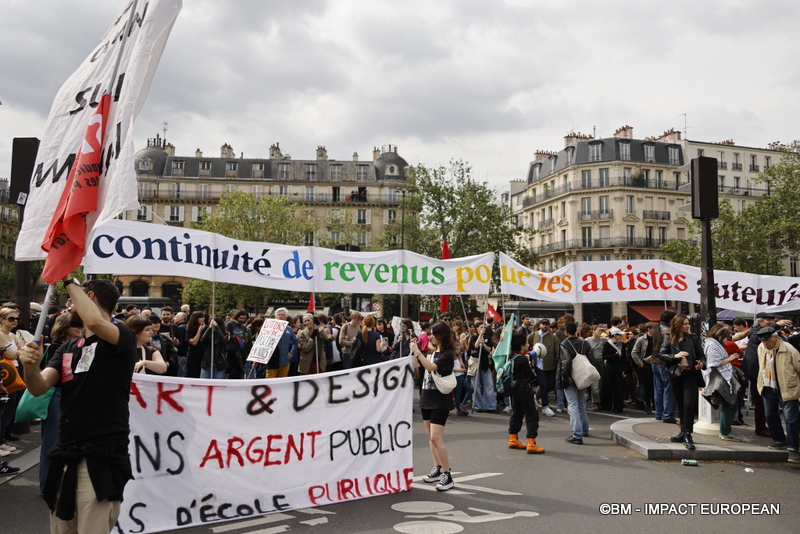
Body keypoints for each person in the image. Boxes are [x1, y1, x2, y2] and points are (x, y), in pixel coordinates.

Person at [19, 278, 136, 532]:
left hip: (100, 456)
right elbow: (38, 387)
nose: (69, 306)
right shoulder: (68, 348)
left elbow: (95, 323)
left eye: (72, 300)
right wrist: (30, 367)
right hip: (65, 452)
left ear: (89, 297)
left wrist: (67, 279)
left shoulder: (122, 337)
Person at [37, 313, 83, 492]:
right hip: (56, 394)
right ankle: (47, 485)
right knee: (51, 441)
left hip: (73, 395)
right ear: (64, 328)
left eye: (80, 326)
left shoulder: (82, 345)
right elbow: (46, 377)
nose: (79, 329)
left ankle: (58, 484)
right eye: (75, 326)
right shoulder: (56, 347)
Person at [410, 322, 456, 491]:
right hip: (427, 396)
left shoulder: (447, 355)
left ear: (441, 336)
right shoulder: (432, 351)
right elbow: (420, 366)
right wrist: (415, 350)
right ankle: (437, 468)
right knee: (431, 437)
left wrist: (417, 351)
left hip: (440, 399)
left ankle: (447, 474)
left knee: (436, 438)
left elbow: (431, 367)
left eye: (433, 334)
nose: (430, 337)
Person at [659, 314, 705, 450]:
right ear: (678, 325)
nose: (687, 326)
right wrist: (675, 356)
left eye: (688, 323)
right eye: (685, 324)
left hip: (691, 374)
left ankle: (688, 433)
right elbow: (661, 354)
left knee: (689, 404)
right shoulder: (669, 337)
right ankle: (683, 431)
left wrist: (701, 363)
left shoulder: (693, 337)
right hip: (676, 374)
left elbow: (701, 354)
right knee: (680, 404)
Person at [756, 326, 800, 463]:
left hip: (786, 387)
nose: (765, 343)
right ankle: (779, 440)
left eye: (767, 340)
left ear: (775, 337)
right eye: (762, 340)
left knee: (790, 419)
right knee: (770, 415)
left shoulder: (789, 350)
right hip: (768, 386)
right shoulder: (761, 348)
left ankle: (793, 449)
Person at [506, 334, 545, 453]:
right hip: (524, 388)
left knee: (517, 413)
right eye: (527, 343)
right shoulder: (522, 359)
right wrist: (536, 378)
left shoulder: (512, 357)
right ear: (522, 346)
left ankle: (513, 438)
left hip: (515, 388)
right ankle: (531, 443)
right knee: (532, 414)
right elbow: (531, 376)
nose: (529, 345)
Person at [703, 324, 742, 442]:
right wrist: (730, 359)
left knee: (730, 403)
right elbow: (713, 363)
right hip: (722, 377)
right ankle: (725, 431)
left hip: (723, 376)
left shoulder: (712, 343)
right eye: (726, 335)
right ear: (720, 334)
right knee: (730, 403)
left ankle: (726, 431)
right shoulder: (712, 345)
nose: (727, 338)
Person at [557, 323, 591, 444]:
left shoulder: (565, 344)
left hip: (571, 376)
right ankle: (584, 429)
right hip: (582, 375)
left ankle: (577, 434)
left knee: (572, 404)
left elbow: (566, 361)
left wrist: (566, 376)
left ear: (566, 331)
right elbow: (591, 359)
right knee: (581, 403)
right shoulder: (584, 343)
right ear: (576, 330)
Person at [527, 319, 560, 416]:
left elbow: (558, 352)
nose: (545, 326)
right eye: (543, 324)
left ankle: (536, 396)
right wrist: (529, 356)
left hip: (551, 365)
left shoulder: (553, 338)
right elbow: (526, 344)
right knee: (543, 385)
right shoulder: (533, 335)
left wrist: (558, 364)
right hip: (539, 365)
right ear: (539, 325)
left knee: (551, 385)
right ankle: (545, 406)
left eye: (547, 324)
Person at [630, 323, 656, 415]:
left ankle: (655, 406)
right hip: (646, 365)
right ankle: (648, 406)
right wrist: (640, 363)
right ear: (648, 329)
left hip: (656, 364)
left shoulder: (658, 339)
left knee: (656, 387)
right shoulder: (641, 339)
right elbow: (634, 352)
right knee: (647, 387)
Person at [601, 328, 629, 413]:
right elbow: (604, 356)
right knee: (608, 386)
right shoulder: (607, 344)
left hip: (619, 367)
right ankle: (606, 405)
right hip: (609, 367)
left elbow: (624, 358)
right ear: (615, 335)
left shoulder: (621, 344)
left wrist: (625, 370)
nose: (621, 336)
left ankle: (618, 407)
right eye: (619, 335)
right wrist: (615, 355)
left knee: (619, 387)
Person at [472, 322, 497, 413]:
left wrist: (484, 344)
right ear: (477, 329)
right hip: (475, 363)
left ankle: (490, 406)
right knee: (476, 385)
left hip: (485, 363)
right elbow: (475, 346)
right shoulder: (473, 337)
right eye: (481, 327)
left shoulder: (487, 338)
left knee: (489, 385)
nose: (483, 329)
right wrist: (480, 337)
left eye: (484, 327)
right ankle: (477, 405)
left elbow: (489, 350)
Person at [266, 308, 297, 378]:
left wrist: (292, 352)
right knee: (270, 381)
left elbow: (295, 341)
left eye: (283, 315)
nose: (281, 316)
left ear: (286, 318)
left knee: (283, 382)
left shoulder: (289, 329)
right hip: (272, 362)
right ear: (275, 317)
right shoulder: (269, 328)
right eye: (279, 314)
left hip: (285, 362)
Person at [225, 310, 248, 379]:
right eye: (241, 318)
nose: (243, 320)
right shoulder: (230, 324)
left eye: (245, 319)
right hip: (231, 351)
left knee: (239, 371)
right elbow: (227, 337)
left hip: (240, 351)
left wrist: (245, 338)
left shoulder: (243, 327)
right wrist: (236, 337)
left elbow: (245, 342)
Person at [184, 312, 206, 378]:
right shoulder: (189, 330)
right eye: (201, 317)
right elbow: (194, 342)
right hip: (193, 357)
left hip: (204, 357)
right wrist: (199, 330)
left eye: (203, 317)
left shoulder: (206, 328)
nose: (203, 318)